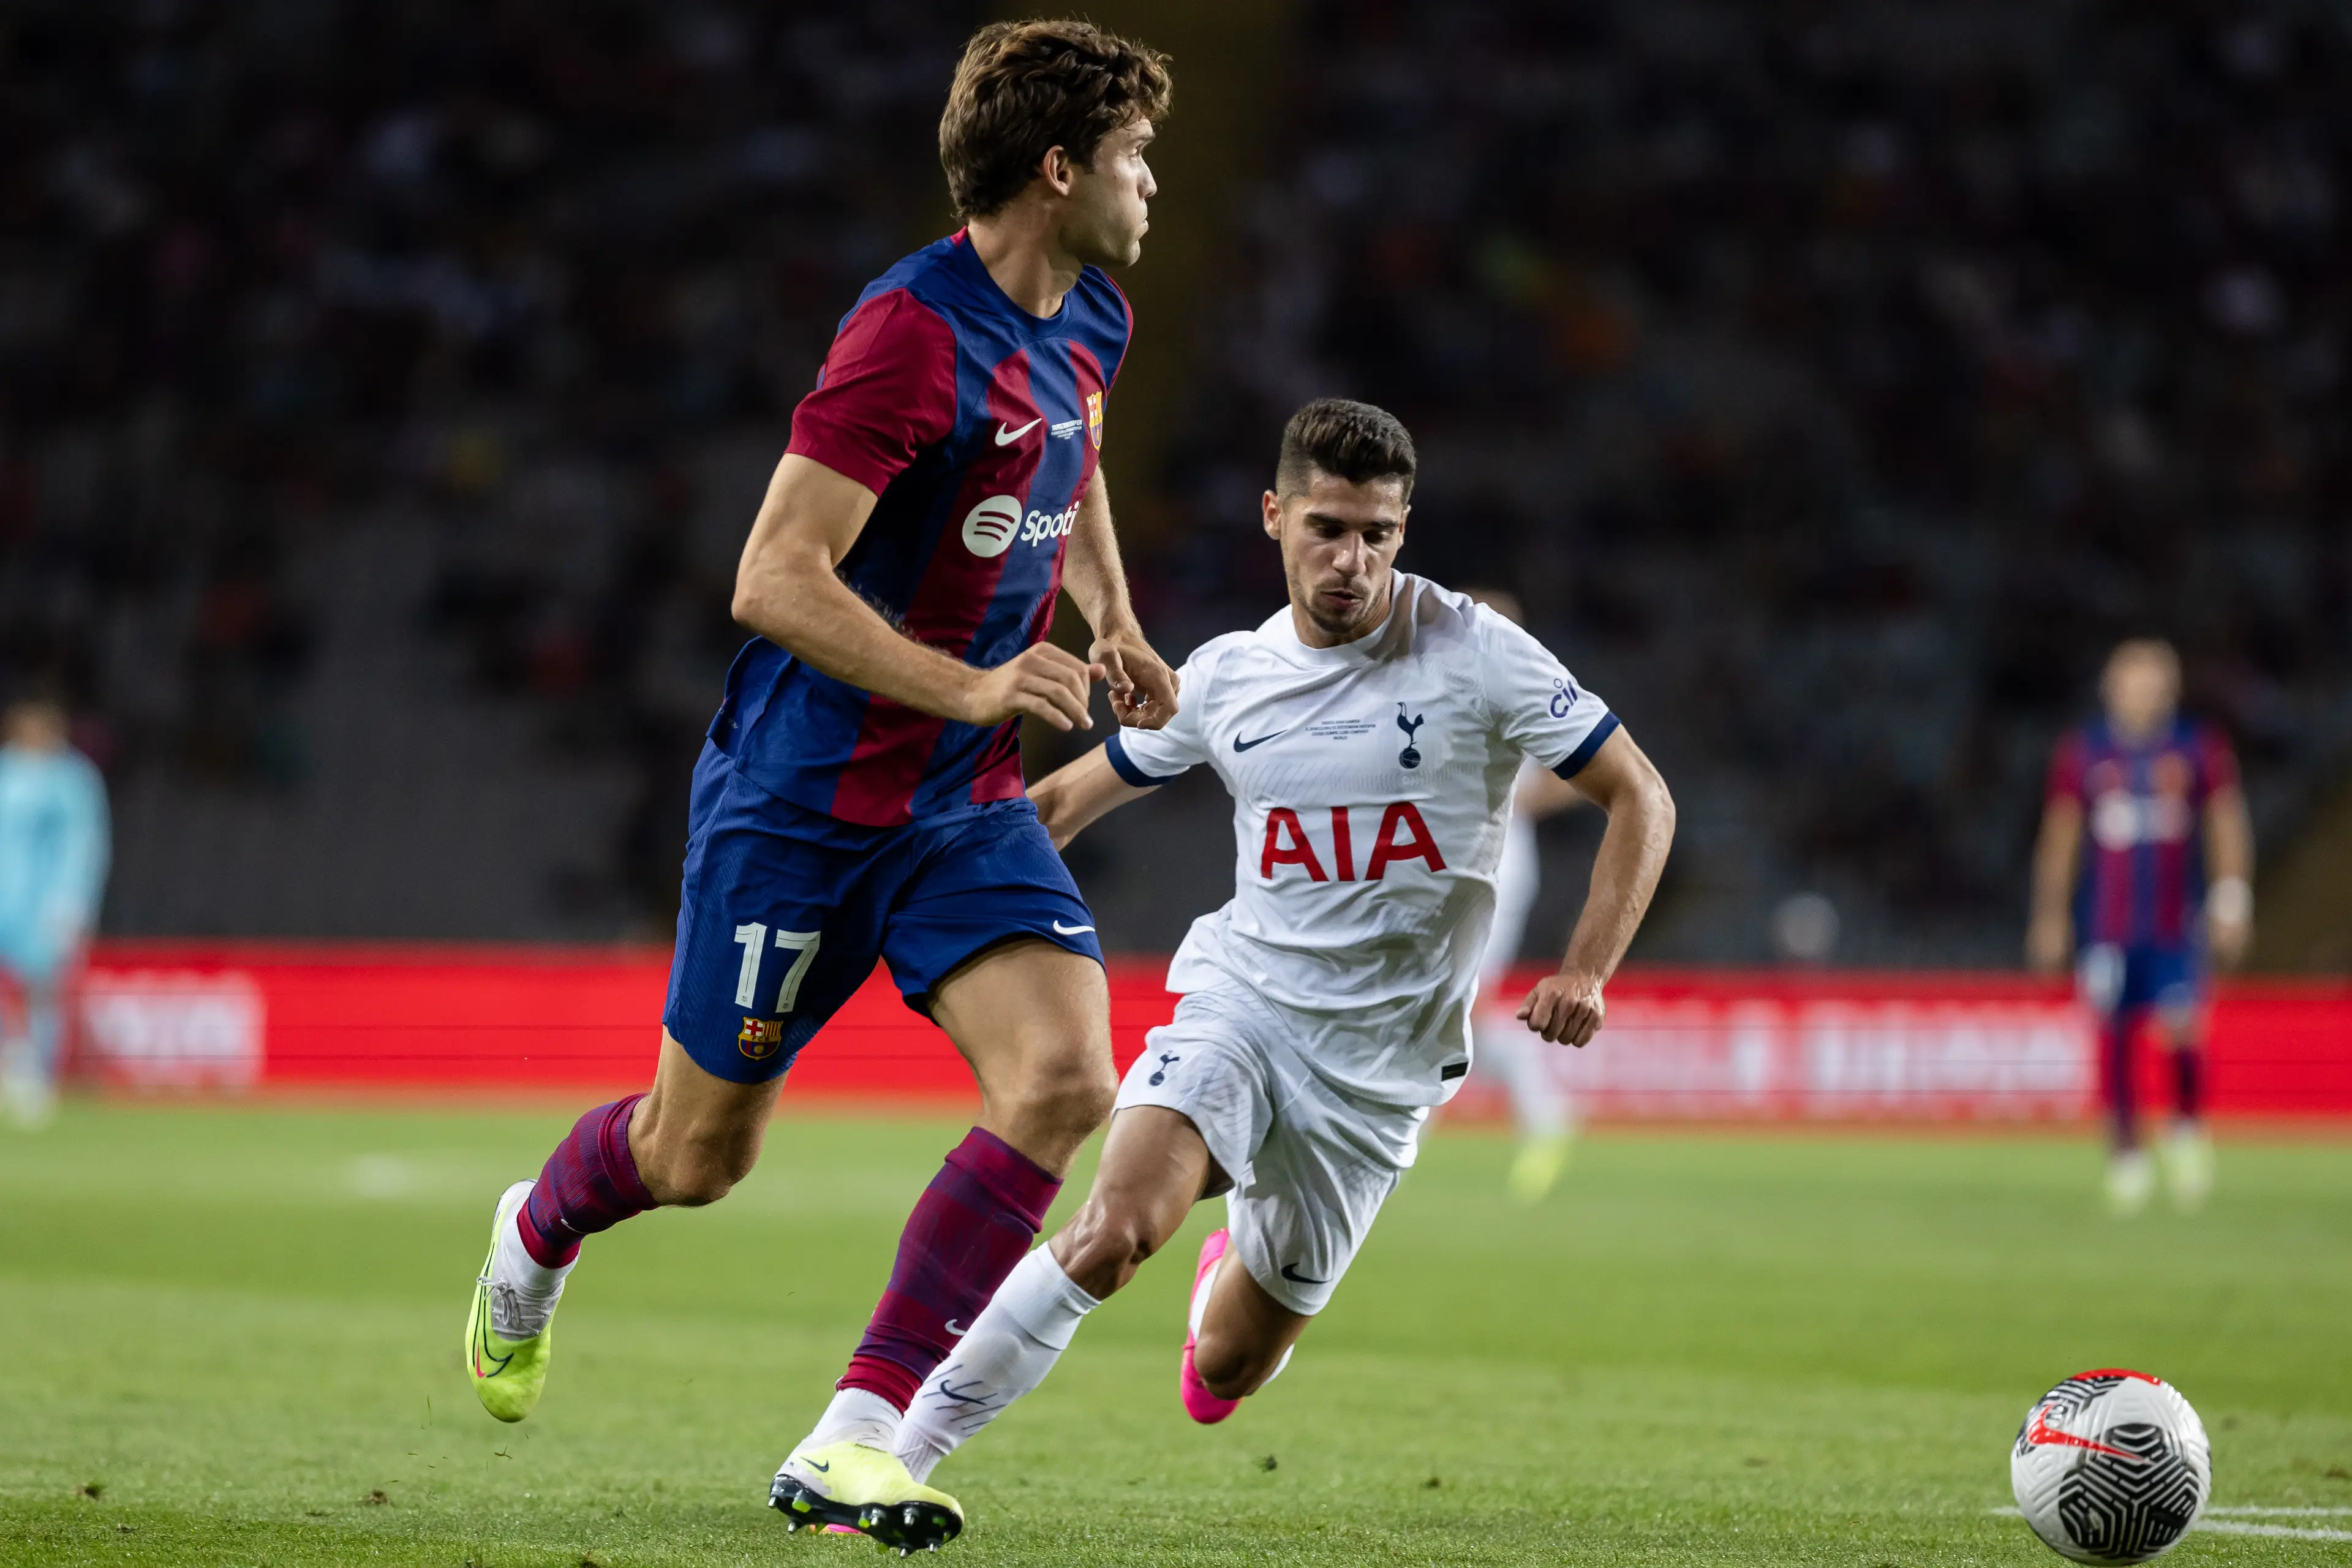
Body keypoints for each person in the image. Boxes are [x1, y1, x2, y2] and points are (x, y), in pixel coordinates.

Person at [460, 21, 1177, 1555]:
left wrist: (1108, 613)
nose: (1151, 185)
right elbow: (773, 576)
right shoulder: (908, 333)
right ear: (1057, 170)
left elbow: (1079, 457)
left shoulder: (1094, 313)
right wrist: (981, 678)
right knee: (693, 1157)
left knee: (1063, 1081)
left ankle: (856, 1432)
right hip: (800, 804)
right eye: (1131, 158)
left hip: (957, 805)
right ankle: (532, 1227)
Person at [884, 399, 1675, 1491]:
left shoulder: (1477, 654)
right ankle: (887, 1455)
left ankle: (1231, 1291)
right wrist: (922, 879)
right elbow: (1061, 803)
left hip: (1380, 1078)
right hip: (1242, 1012)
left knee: (1230, 1366)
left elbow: (1640, 795)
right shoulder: (1226, 678)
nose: (1352, 560)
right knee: (1113, 1231)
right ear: (1273, 516)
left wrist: (1586, 967)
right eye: (1327, 528)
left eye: (1378, 534)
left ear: (1404, 530)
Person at [2029, 639, 2251, 1216]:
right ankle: (2125, 1150)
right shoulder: (2085, 753)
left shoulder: (2197, 748)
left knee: (2182, 1026)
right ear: (2112, 687)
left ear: (2171, 690)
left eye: (2155, 682)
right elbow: (2061, 838)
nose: (2144, 693)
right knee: (2115, 1032)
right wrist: (2050, 916)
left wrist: (2231, 899)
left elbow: (2225, 822)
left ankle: (2185, 1129)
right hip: (2106, 925)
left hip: (2175, 923)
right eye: (2133, 681)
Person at [1462, 589, 1587, 1202]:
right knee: (1443, 1010)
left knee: (1465, 1008)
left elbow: (1583, 774)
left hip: (1501, 874)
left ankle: (1549, 1120)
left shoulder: (1528, 691)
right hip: (1454, 875)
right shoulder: (1455, 695)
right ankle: (1546, 1119)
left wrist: (1518, 802)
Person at [0, 697, 110, 1129]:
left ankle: (39, 1077)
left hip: (44, 904)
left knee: (43, 989)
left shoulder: (72, 779)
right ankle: (14, 1060)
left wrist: (73, 903)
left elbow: (85, 844)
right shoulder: (6, 770)